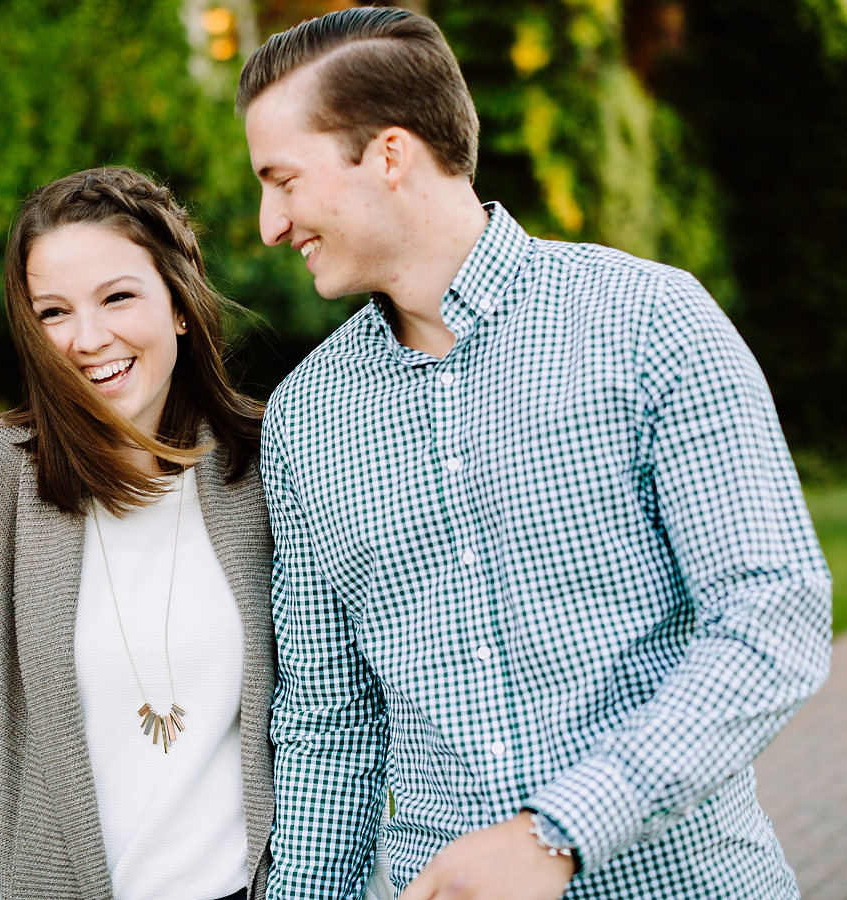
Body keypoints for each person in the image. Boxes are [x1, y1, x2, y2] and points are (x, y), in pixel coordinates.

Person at [236, 7, 832, 900]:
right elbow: (332, 730)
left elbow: (770, 617)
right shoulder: (304, 420)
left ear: (388, 156)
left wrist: (558, 833)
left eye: (282, 180)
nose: (268, 224)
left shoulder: (649, 323)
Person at [0, 167, 275, 900]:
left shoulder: (263, 461)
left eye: (118, 297)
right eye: (53, 312)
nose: (89, 339)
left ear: (180, 304)